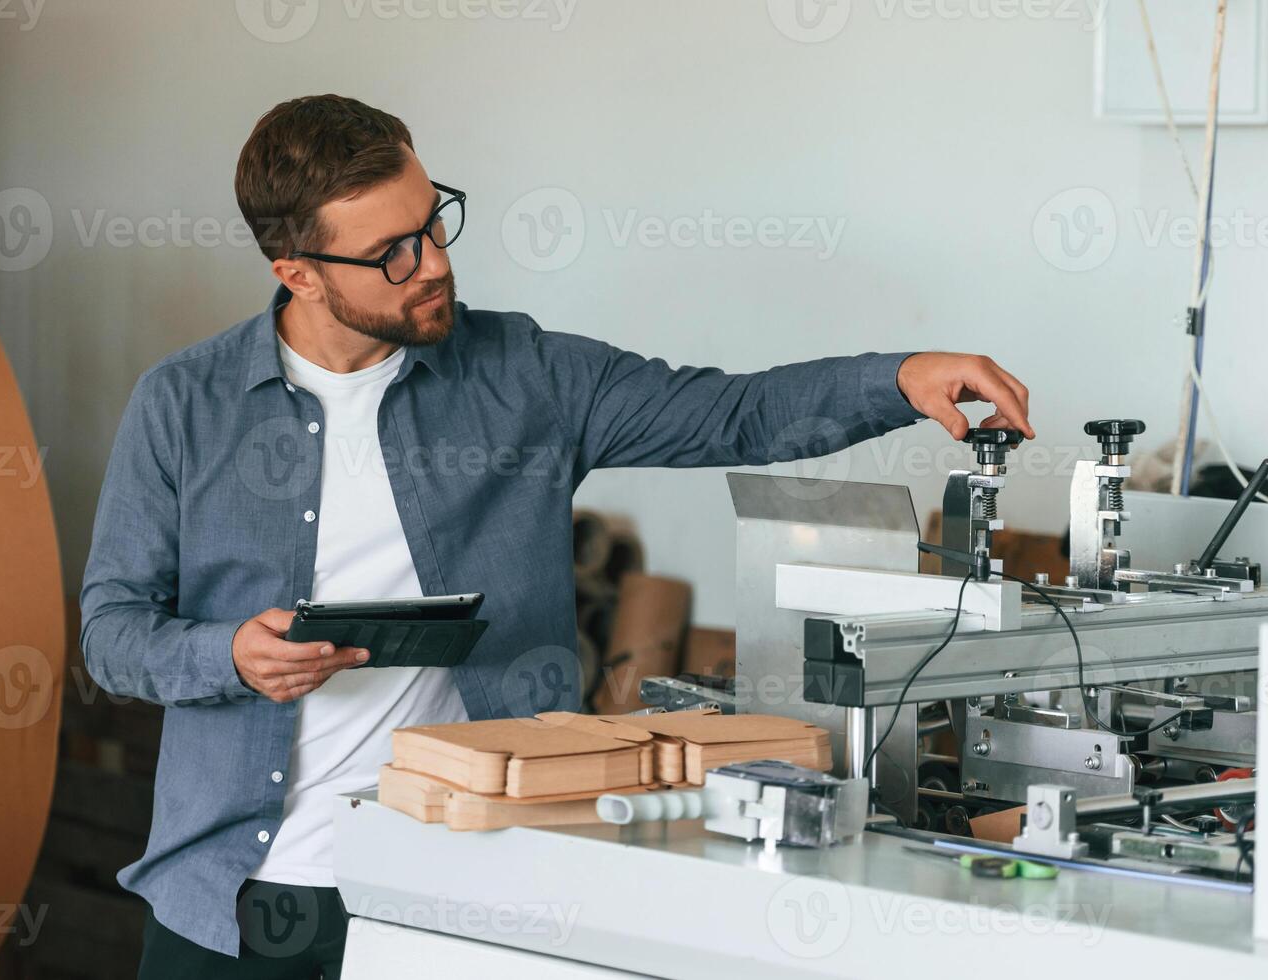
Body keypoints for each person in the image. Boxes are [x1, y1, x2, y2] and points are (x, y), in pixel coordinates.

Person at [80, 93, 1034, 979]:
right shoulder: (183, 406)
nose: (437, 262)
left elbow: (729, 413)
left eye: (435, 222)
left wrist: (898, 377)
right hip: (235, 903)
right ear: (297, 272)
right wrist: (231, 656)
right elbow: (112, 630)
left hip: (472, 880)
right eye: (393, 254)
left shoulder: (525, 375)